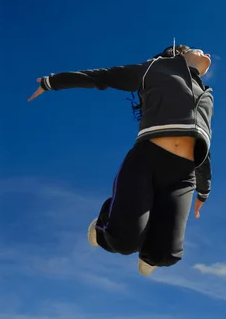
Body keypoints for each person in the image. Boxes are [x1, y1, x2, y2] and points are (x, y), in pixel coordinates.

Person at [27, 44, 214, 276]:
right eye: (198, 48)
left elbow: (203, 144)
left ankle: (152, 250)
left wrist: (204, 191)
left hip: (183, 175)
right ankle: (104, 220)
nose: (206, 52)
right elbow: (103, 76)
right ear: (180, 53)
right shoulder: (155, 68)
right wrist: (51, 82)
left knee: (166, 256)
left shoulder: (207, 95)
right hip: (147, 159)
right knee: (124, 243)